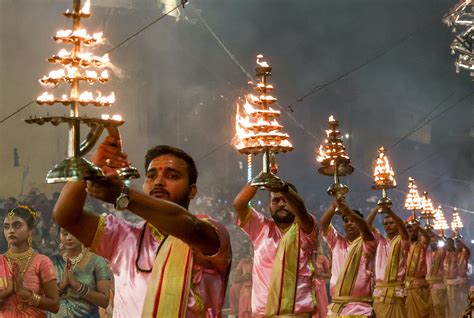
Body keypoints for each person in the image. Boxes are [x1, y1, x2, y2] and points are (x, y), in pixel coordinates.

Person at [53, 137, 232, 318]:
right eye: (151, 176)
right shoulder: (123, 236)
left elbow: (185, 224)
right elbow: (66, 216)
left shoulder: (211, 233)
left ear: (192, 190)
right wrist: (91, 167)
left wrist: (123, 195)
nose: (159, 182)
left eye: (172, 176)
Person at [233, 182, 318, 317]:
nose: (281, 204)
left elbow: (301, 212)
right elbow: (239, 204)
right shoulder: (260, 228)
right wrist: (262, 176)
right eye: (275, 200)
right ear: (269, 207)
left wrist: (283, 188)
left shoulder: (305, 228)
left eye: (285, 200)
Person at [0, 205, 59, 317]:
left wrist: (26, 294)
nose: (11, 230)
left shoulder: (42, 262)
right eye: (6, 227)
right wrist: (7, 292)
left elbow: (55, 306)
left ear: (30, 230)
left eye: (17, 225)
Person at [320, 201, 376, 317]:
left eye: (353, 221)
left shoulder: (368, 242)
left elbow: (365, 229)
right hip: (337, 307)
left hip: (361, 308)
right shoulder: (336, 241)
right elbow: (323, 225)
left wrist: (348, 211)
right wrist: (334, 206)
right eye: (346, 221)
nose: (349, 223)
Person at [49, 228, 111, 317]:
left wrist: (76, 285)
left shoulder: (97, 262)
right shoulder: (53, 261)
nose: (68, 238)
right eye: (64, 234)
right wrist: (63, 284)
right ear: (59, 236)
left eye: (73, 233)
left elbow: (104, 302)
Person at [366, 204, 409, 317]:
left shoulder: (402, 239)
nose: (388, 226)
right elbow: (367, 225)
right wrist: (376, 208)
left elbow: (403, 228)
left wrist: (390, 212)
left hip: (396, 291)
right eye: (385, 224)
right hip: (380, 291)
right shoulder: (380, 240)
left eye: (391, 223)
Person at [404, 219, 432, 318]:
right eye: (409, 231)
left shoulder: (421, 243)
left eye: (413, 231)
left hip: (419, 286)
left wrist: (419, 227)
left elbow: (427, 237)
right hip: (405, 286)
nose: (411, 233)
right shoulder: (405, 245)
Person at [426, 232, 447, 318]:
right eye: (431, 241)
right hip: (427, 287)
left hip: (438, 287)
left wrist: (431, 231)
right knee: (429, 311)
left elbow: (444, 246)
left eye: (435, 241)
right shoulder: (427, 253)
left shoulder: (441, 252)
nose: (432, 243)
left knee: (439, 310)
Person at [312, 244, 331, 318]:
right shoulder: (307, 258)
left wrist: (320, 275)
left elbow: (329, 275)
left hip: (321, 285)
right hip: (310, 286)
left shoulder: (323, 258)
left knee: (322, 305)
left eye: (318, 246)